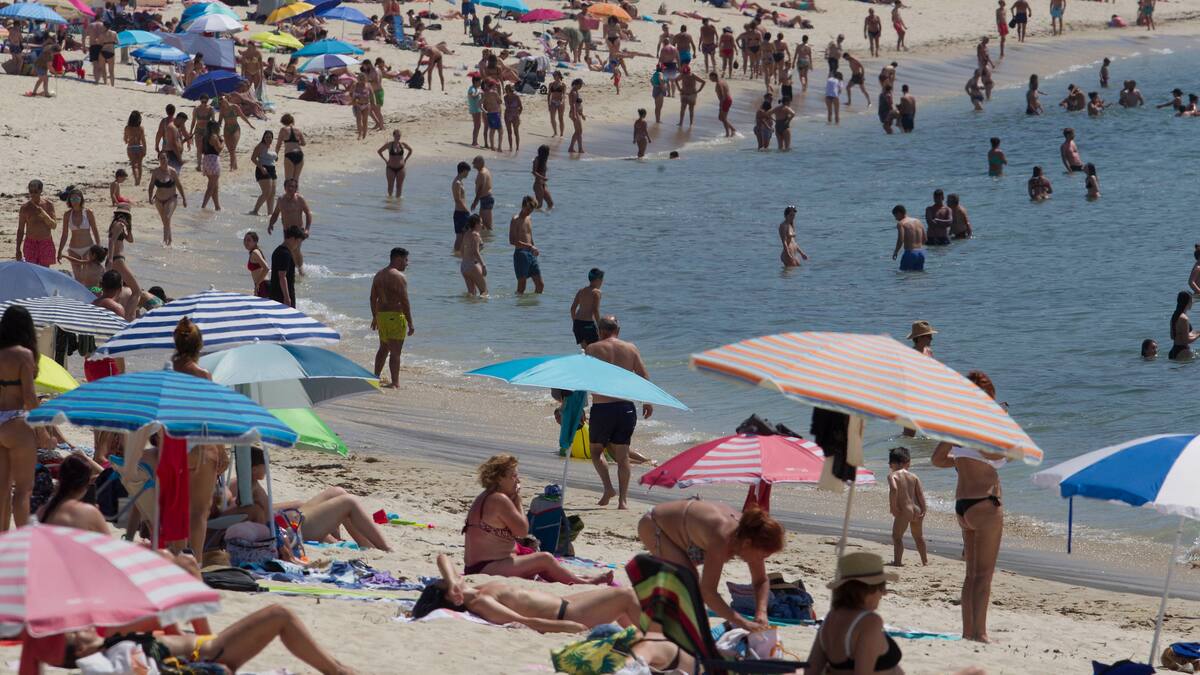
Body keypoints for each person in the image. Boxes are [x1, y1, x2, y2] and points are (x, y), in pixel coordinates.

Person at [49, 605, 354, 675]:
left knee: (279, 616)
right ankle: (337, 671)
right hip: (209, 653)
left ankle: (337, 668)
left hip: (207, 648)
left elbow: (156, 621)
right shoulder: (114, 653)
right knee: (279, 615)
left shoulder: (111, 643)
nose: (83, 627)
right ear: (81, 648)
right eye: (77, 632)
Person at [932, 371, 1007, 642]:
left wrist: (961, 459)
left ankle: (968, 632)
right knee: (984, 575)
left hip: (963, 504)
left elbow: (937, 459)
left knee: (971, 575)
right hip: (985, 503)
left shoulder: (957, 426)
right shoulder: (984, 427)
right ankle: (981, 633)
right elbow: (998, 454)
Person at [462, 454, 613, 583]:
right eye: (513, 476)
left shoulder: (486, 496)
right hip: (487, 567)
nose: (518, 480)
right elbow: (522, 530)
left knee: (536, 557)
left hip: (480, 565)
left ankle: (580, 578)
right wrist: (517, 499)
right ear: (499, 479)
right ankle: (584, 582)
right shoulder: (499, 499)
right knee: (545, 558)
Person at [637, 500, 785, 631]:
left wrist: (761, 612)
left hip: (689, 534)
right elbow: (708, 592)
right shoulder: (723, 536)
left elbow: (761, 580)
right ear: (747, 543)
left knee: (686, 588)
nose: (761, 560)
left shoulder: (749, 535)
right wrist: (742, 622)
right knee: (689, 581)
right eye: (762, 556)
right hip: (655, 524)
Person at [416, 552, 635, 631]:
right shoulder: (481, 602)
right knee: (625, 595)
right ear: (451, 597)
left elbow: (442, 558)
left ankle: (641, 639)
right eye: (443, 582)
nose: (447, 578)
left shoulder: (476, 589)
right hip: (568, 615)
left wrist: (451, 581)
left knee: (622, 605)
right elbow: (523, 621)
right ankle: (651, 640)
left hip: (566, 602)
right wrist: (569, 627)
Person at [234, 445, 391, 550]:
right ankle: (385, 549)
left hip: (289, 521)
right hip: (293, 528)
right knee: (349, 501)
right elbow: (254, 516)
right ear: (254, 469)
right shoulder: (242, 486)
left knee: (337, 492)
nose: (267, 470)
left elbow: (258, 510)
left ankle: (365, 543)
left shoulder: (248, 484)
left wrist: (290, 506)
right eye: (265, 466)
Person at [585, 316, 652, 509]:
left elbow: (583, 378)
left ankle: (608, 488)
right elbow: (643, 375)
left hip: (602, 408)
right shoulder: (631, 348)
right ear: (618, 330)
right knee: (622, 457)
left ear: (600, 331)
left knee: (596, 452)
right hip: (625, 408)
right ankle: (623, 501)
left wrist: (578, 406)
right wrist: (647, 400)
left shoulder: (592, 348)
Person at [803, 552, 902, 673]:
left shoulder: (831, 617)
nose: (884, 593)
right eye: (881, 587)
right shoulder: (870, 622)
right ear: (867, 589)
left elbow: (811, 670)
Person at [0, 306, 38, 531]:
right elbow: (29, 398)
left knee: (2, 490)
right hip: (16, 422)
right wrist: (44, 429)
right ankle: (24, 540)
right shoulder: (24, 355)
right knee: (23, 490)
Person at [370, 247, 414, 387]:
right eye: (406, 260)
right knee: (395, 352)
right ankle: (395, 383)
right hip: (395, 317)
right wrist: (410, 322)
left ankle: (375, 377)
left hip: (381, 316)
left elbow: (372, 298)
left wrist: (375, 317)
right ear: (398, 259)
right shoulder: (399, 277)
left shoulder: (379, 275)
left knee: (383, 348)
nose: (407, 263)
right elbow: (405, 301)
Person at [887, 447, 927, 566]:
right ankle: (924, 561)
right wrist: (924, 509)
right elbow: (920, 494)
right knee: (918, 537)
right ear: (907, 462)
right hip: (917, 509)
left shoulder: (893, 475)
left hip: (904, 510)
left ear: (892, 464)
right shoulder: (914, 476)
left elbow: (894, 489)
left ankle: (897, 562)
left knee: (897, 536)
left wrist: (893, 507)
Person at [268, 178, 313, 271]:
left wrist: (307, 229)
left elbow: (308, 213)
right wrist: (271, 224)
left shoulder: (299, 199)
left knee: (295, 250)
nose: (290, 188)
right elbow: (276, 213)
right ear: (285, 187)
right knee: (289, 250)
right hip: (287, 230)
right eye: (288, 186)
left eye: (293, 186)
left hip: (298, 230)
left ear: (296, 188)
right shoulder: (281, 200)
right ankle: (292, 269)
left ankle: (300, 270)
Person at [57, 190, 100, 282]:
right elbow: (64, 234)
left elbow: (95, 230)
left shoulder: (88, 212)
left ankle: (92, 291)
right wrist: (60, 250)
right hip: (73, 250)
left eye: (77, 198)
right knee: (78, 278)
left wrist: (99, 247)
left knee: (86, 277)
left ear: (81, 199)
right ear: (69, 200)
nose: (75, 201)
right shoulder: (67, 215)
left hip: (88, 248)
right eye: (72, 199)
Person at [147, 152, 186, 246]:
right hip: (158, 200)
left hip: (171, 199)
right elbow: (151, 186)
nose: (163, 160)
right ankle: (170, 241)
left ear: (168, 159)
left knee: (167, 217)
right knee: (165, 221)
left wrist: (184, 198)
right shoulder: (156, 172)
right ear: (159, 160)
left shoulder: (172, 171)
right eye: (161, 158)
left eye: (164, 158)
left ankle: (164, 241)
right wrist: (150, 197)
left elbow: (179, 185)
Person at [15, 180, 57, 267]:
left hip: (45, 242)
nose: (33, 194)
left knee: (44, 271)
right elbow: (20, 230)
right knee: (31, 270)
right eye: (31, 191)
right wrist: (18, 249)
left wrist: (44, 215)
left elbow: (54, 226)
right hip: (30, 243)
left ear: (41, 191)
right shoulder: (25, 208)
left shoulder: (48, 205)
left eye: (35, 191)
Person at [509, 196, 543, 294]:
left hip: (531, 254)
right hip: (520, 254)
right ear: (523, 206)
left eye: (531, 210)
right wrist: (530, 246)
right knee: (521, 287)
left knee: (540, 285)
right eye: (528, 209)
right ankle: (518, 303)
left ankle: (534, 304)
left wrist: (533, 248)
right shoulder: (515, 219)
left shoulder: (529, 218)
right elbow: (512, 241)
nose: (529, 212)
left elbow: (529, 236)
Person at [270, 226, 306, 308]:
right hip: (282, 296)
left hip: (275, 293)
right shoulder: (285, 254)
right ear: (292, 239)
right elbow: (282, 276)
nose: (298, 245)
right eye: (298, 242)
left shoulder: (278, 250)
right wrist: (287, 298)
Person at [570, 269, 604, 348]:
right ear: (598, 280)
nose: (602, 282)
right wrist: (600, 327)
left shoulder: (581, 291)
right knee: (596, 349)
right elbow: (595, 310)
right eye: (602, 280)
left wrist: (575, 323)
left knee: (585, 350)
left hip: (577, 324)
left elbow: (572, 309)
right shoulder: (596, 292)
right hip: (588, 324)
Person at [377, 130, 413, 199]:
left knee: (399, 186)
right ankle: (389, 201)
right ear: (393, 136)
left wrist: (405, 159)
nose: (398, 137)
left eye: (399, 136)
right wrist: (385, 160)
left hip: (401, 168)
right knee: (390, 186)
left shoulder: (403, 144)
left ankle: (398, 203)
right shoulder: (389, 144)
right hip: (390, 168)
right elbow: (379, 151)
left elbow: (410, 150)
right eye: (396, 136)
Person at [200, 115, 225, 211]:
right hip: (213, 161)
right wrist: (223, 142)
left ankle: (217, 206)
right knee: (211, 187)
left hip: (206, 160)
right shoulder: (214, 136)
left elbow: (201, 150)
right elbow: (219, 149)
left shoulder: (205, 137)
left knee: (215, 186)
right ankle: (203, 206)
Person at [250, 130, 278, 216]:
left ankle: (270, 213)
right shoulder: (260, 146)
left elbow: (275, 157)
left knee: (272, 193)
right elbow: (253, 158)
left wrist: (275, 158)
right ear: (263, 138)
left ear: (272, 138)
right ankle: (255, 210)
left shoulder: (272, 146)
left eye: (270, 137)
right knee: (266, 192)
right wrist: (261, 168)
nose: (268, 139)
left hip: (272, 169)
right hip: (262, 169)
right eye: (266, 137)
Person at [891, 205, 926, 272]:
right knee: (919, 275)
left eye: (895, 216)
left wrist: (896, 252)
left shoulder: (901, 223)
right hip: (921, 253)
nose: (896, 219)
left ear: (899, 213)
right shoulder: (918, 221)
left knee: (904, 275)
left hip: (910, 253)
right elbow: (925, 239)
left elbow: (900, 240)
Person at [460, 214, 488, 297]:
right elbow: (476, 252)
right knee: (484, 292)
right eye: (481, 223)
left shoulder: (466, 234)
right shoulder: (475, 235)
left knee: (472, 294)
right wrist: (483, 265)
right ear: (476, 223)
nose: (482, 225)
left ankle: (470, 306)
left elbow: (461, 250)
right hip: (472, 265)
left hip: (464, 266)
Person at [276, 113, 306, 184]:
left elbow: (278, 144)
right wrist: (296, 143)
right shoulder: (298, 130)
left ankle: (288, 191)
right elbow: (304, 143)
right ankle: (296, 191)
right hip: (299, 154)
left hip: (289, 154)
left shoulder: (283, 129)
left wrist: (276, 154)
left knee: (288, 180)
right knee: (296, 181)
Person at [1169, 291, 1199, 360]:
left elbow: (1172, 336)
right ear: (1188, 302)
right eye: (1192, 300)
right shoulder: (1184, 318)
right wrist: (1198, 335)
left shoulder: (1174, 316)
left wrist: (1195, 333)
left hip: (1173, 350)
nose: (1193, 302)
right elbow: (1186, 341)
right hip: (1183, 351)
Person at [452, 161, 471, 254]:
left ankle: (459, 254)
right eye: (467, 171)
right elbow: (457, 199)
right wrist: (467, 210)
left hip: (462, 212)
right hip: (460, 213)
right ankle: (456, 253)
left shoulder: (460, 182)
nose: (468, 174)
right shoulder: (457, 183)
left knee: (464, 235)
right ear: (464, 171)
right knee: (460, 236)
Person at [471, 155, 495, 230]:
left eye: (474, 163)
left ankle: (488, 236)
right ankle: (484, 236)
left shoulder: (482, 173)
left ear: (479, 163)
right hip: (485, 199)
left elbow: (480, 189)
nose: (473, 164)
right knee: (481, 223)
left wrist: (475, 202)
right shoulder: (485, 170)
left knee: (487, 225)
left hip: (486, 199)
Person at [244, 231, 270, 298]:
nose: (246, 242)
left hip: (263, 285)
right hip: (262, 284)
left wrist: (257, 283)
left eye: (248, 240)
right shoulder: (254, 252)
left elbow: (266, 268)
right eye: (245, 240)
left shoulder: (255, 252)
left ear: (255, 242)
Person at [124, 111, 147, 186]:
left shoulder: (127, 128)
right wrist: (145, 149)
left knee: (133, 165)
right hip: (139, 147)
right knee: (139, 165)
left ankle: (136, 179)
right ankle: (139, 180)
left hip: (131, 147)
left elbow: (125, 139)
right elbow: (143, 140)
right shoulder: (141, 128)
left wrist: (127, 140)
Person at [709, 72, 735, 137]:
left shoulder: (718, 84)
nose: (710, 79)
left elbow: (722, 96)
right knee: (721, 118)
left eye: (710, 78)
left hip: (725, 101)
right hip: (728, 99)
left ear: (714, 76)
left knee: (723, 118)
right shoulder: (722, 80)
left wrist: (720, 107)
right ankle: (732, 129)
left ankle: (728, 133)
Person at [531, 145, 553, 210]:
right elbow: (534, 172)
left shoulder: (544, 160)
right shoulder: (536, 160)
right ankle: (527, 210)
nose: (549, 153)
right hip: (538, 185)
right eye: (548, 152)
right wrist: (543, 178)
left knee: (550, 204)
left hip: (543, 185)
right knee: (539, 205)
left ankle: (547, 215)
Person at [568, 78, 586, 154]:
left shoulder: (576, 91)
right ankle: (580, 148)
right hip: (574, 113)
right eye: (580, 85)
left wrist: (582, 114)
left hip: (577, 113)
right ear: (577, 84)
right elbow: (573, 104)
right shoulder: (573, 92)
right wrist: (575, 114)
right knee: (579, 131)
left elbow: (578, 104)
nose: (581, 87)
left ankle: (571, 147)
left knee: (578, 131)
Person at [468, 76, 484, 146]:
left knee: (478, 125)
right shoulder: (472, 88)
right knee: (477, 125)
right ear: (475, 82)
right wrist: (479, 92)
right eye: (479, 82)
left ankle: (475, 141)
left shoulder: (476, 88)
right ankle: (474, 142)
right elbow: (473, 95)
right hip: (474, 109)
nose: (480, 83)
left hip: (477, 108)